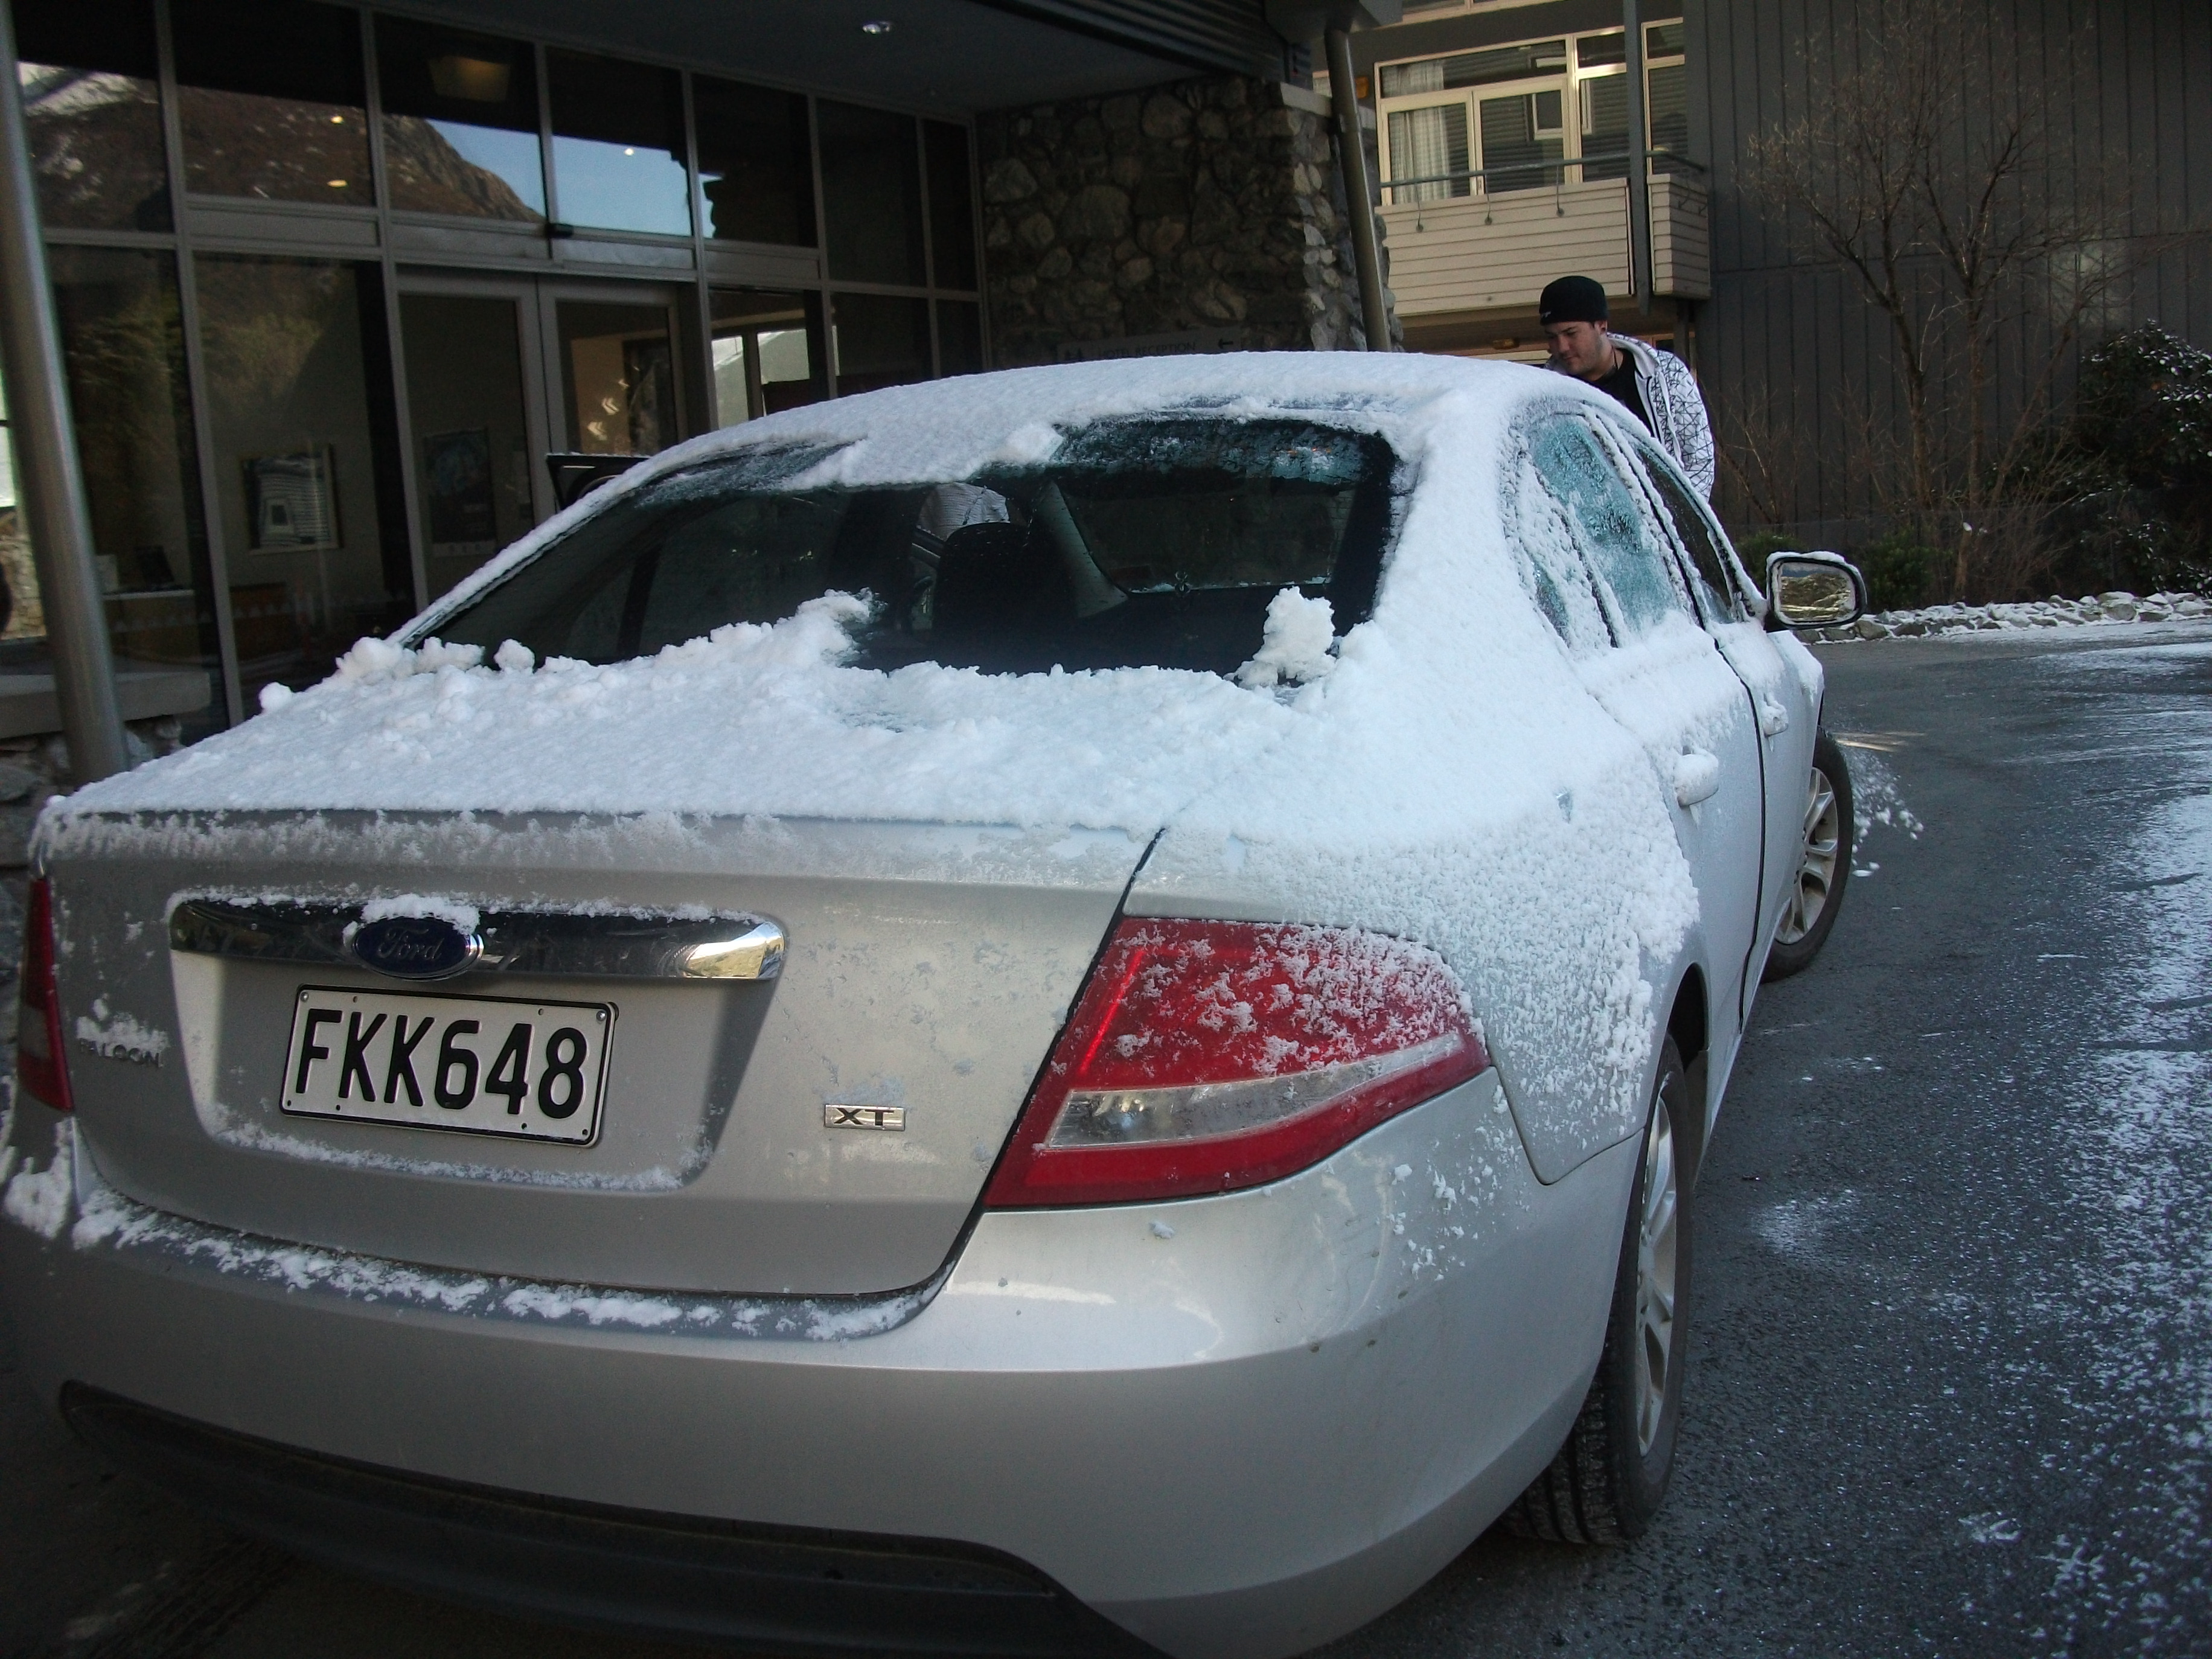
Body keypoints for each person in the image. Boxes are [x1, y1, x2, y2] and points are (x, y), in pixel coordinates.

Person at [1538, 274, 1715, 500]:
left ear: (1601, 325)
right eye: (1552, 337)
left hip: (1669, 525)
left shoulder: (1666, 373)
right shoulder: (1547, 396)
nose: (1562, 347)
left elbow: (1700, 459)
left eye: (1571, 333)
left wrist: (1679, 523)